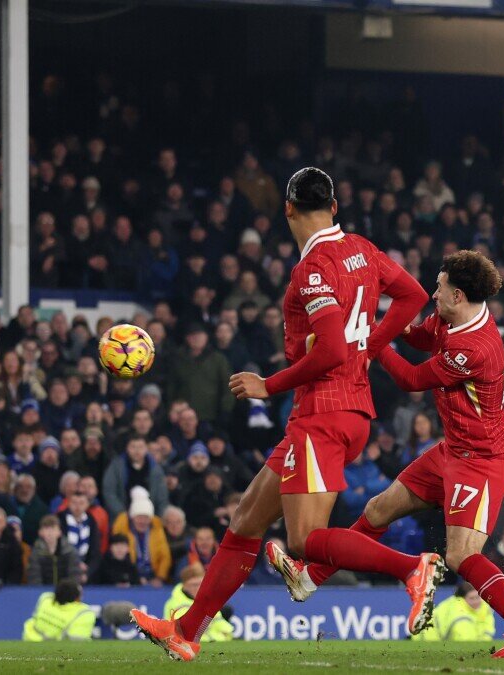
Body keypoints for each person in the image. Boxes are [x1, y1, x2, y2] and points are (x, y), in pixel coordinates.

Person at [131, 167, 432, 662]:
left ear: (287, 208)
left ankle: (410, 569)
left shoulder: (312, 270)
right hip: (344, 410)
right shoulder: (362, 247)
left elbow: (332, 348)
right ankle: (184, 630)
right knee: (246, 521)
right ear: (333, 207)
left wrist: (267, 384)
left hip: (324, 412)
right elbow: (414, 296)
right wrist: (374, 344)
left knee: (305, 540)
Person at [272, 250, 504, 658]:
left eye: (437, 289)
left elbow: (411, 378)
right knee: (379, 509)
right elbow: (419, 336)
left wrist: (367, 340)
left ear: (457, 294)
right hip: (452, 449)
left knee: (460, 555)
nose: (431, 295)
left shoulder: (476, 346)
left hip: (482, 460)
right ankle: (310, 578)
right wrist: (377, 318)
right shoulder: (454, 314)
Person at [164, 564, 233, 643]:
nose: (198, 588)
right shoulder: (177, 604)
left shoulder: (206, 601)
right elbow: (186, 636)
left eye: (201, 584)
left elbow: (224, 629)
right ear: (184, 586)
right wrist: (217, 638)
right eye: (194, 585)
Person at [413, 582, 495, 642]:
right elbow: (467, 643)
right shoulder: (459, 613)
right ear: (463, 599)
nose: (476, 601)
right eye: (471, 598)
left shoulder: (485, 608)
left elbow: (487, 631)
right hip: (426, 636)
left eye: (477, 597)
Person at [21, 579, 94, 641]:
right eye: (80, 595)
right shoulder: (84, 612)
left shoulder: (46, 598)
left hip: (29, 639)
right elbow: (79, 640)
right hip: (55, 650)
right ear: (76, 599)